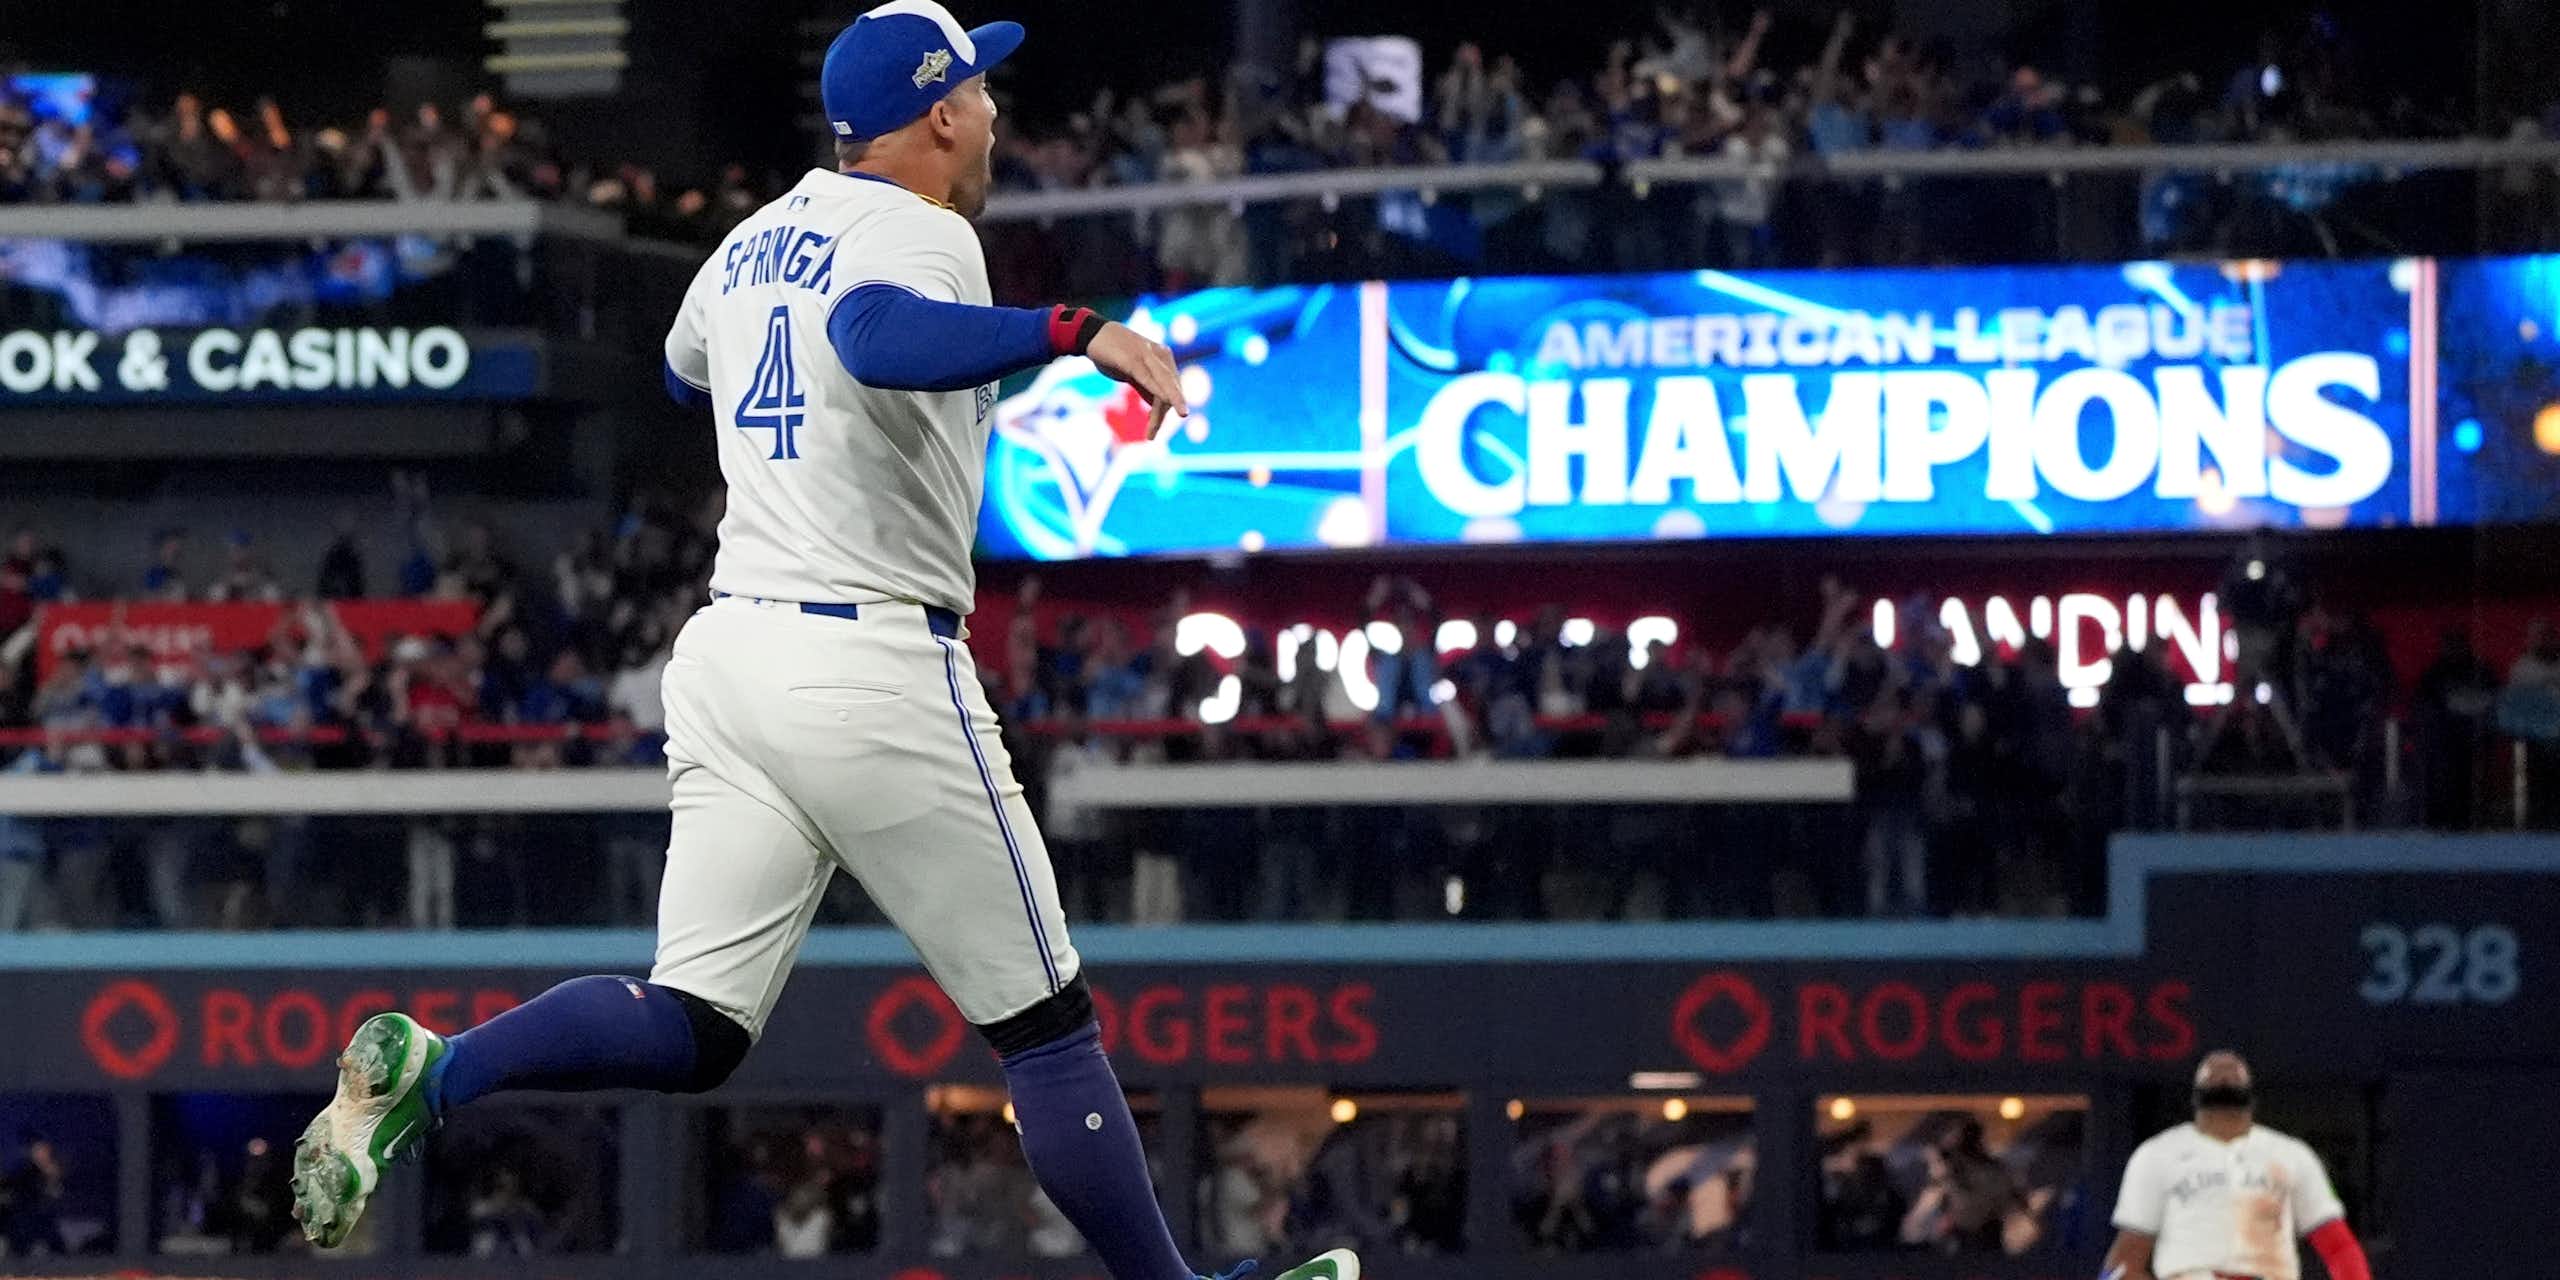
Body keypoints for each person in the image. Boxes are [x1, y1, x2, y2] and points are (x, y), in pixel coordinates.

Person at [285, 7, 1356, 1280]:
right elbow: (871, 337)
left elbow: (688, 373)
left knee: (692, 1025)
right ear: (942, 111)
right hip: (871, 663)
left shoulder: (742, 243)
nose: (996, 110)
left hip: (734, 657)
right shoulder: (925, 231)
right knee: (1050, 1031)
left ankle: (439, 1071)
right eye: (981, 87)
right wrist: (1076, 329)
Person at [2101, 1051, 2373, 1280]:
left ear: (2250, 1091)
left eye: (2233, 1071)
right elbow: (2124, 1262)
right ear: (2196, 1093)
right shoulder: (2156, 1155)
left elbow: (2338, 1247)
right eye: (2215, 1072)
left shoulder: (2292, 1155)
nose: (2224, 1073)